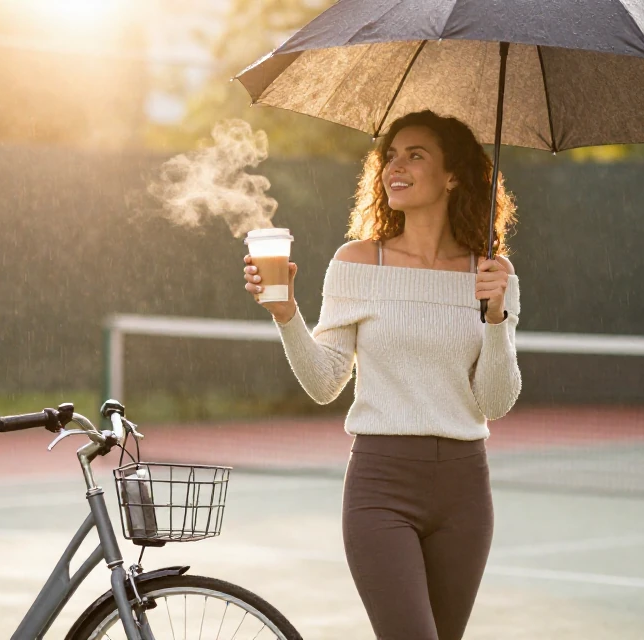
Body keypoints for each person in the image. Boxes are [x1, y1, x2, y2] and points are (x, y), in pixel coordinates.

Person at [241, 109, 521, 640]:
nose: (397, 165)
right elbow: (326, 383)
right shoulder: (356, 263)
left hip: (466, 489)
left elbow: (497, 400)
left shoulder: (492, 275)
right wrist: (285, 314)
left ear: (453, 175)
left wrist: (495, 316)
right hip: (381, 484)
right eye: (391, 155)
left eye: (416, 155)